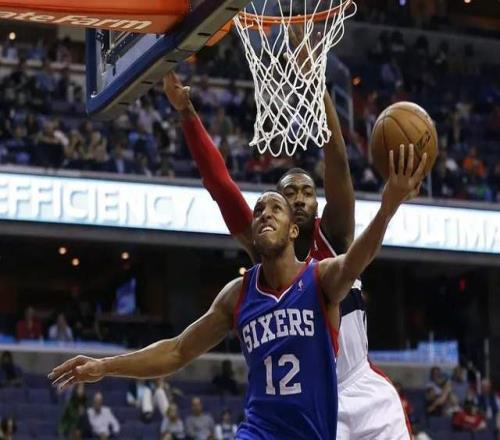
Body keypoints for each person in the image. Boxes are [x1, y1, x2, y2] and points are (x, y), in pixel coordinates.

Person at [49, 150, 426, 438]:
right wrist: (105, 366)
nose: (265, 213)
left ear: (294, 230)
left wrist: (387, 208)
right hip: (258, 431)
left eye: (276, 208)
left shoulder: (320, 279)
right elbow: (178, 351)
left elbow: (357, 259)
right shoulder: (238, 294)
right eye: (259, 209)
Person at [163, 67, 413, 438]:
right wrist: (187, 113)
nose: (298, 198)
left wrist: (315, 82)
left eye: (307, 192)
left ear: (317, 203)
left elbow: (337, 158)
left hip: (362, 387)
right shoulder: (265, 250)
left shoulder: (336, 234)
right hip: (313, 405)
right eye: (289, 193)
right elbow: (220, 185)